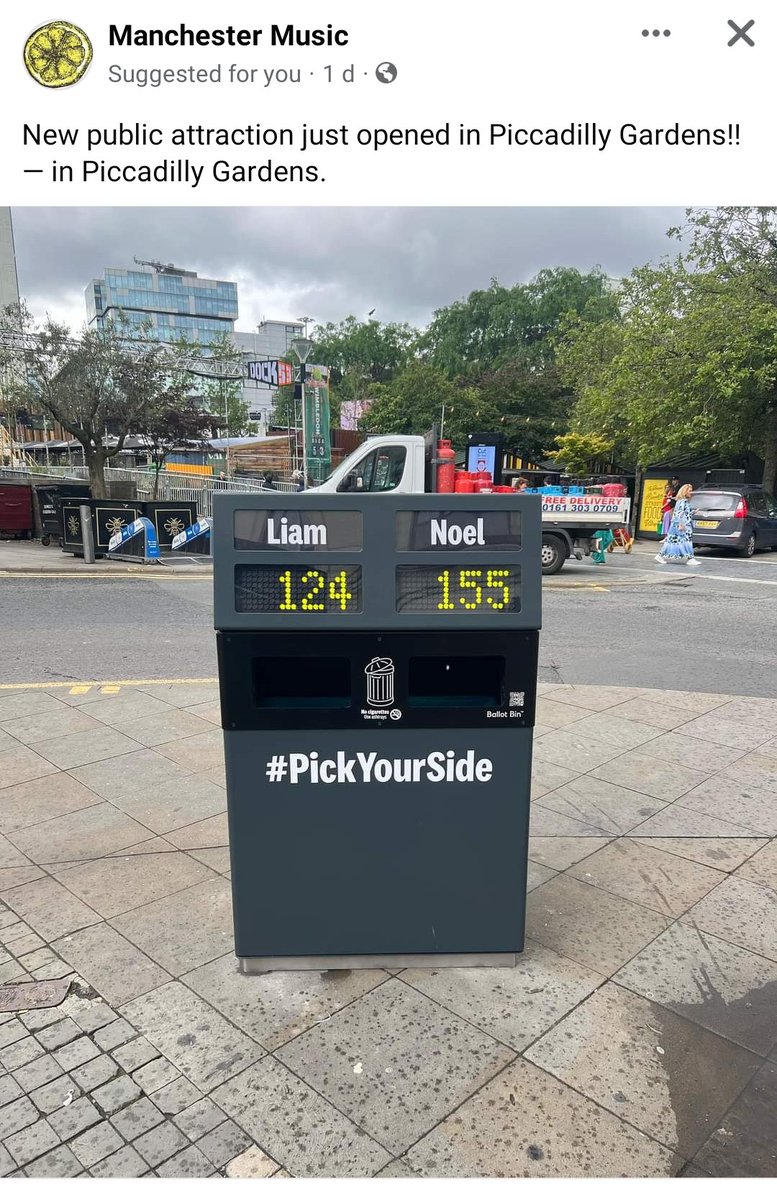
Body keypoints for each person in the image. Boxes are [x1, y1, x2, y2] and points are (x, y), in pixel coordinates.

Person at [656, 483, 699, 565]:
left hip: (680, 525)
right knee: (684, 541)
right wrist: (681, 524)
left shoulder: (682, 501)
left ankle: (660, 555)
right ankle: (690, 558)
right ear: (685, 492)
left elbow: (684, 513)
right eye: (690, 491)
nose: (691, 492)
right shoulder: (683, 502)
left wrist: (693, 512)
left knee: (673, 542)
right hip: (682, 526)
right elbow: (679, 514)